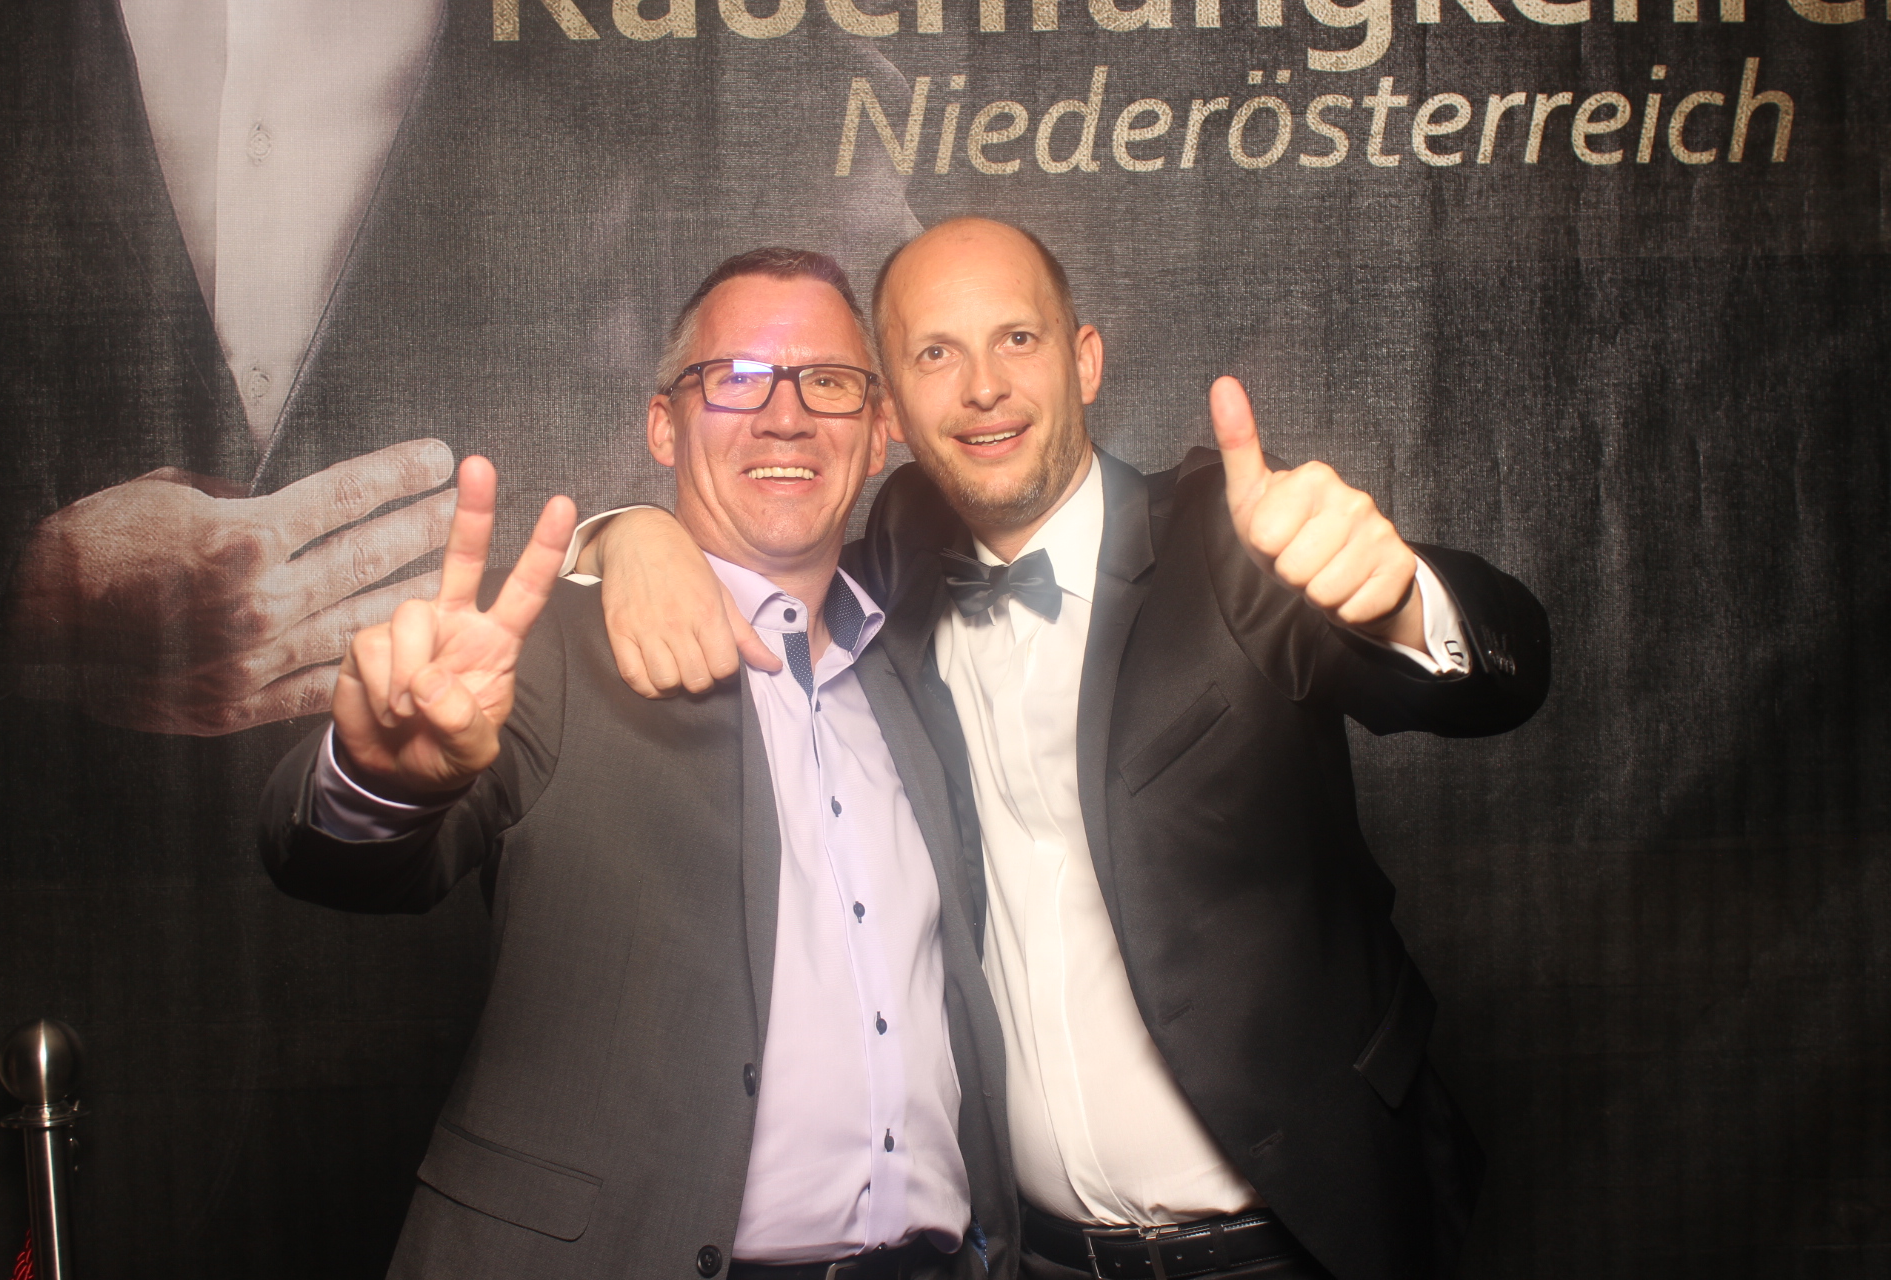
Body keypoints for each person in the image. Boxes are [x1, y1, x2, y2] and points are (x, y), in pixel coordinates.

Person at [581, 218, 1551, 1280]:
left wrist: (1404, 595)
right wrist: (629, 533)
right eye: (936, 353)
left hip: (1301, 1234)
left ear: (1084, 361)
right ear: (890, 412)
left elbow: (1504, 674)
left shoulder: (1232, 535)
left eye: (1018, 339)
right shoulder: (895, 566)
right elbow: (759, 543)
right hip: (1037, 1255)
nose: (984, 387)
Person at [257, 250, 1014, 1278]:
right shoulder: (549, 651)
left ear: (878, 428)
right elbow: (327, 861)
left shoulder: (909, 668)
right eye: (737, 378)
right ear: (664, 425)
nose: (785, 417)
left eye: (829, 382)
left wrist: (624, 530)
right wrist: (382, 779)